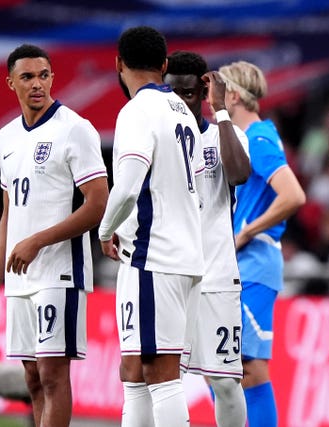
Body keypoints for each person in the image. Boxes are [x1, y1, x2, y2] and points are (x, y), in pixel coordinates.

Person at [0, 44, 109, 427]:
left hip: (59, 272)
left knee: (53, 377)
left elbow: (97, 204)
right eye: (28, 77)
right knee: (32, 379)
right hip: (19, 277)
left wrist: (38, 241)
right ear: (11, 83)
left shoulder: (75, 129)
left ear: (52, 76)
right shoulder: (6, 137)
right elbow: (9, 214)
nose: (38, 84)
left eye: (44, 75)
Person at [97, 26, 204, 427]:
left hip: (153, 258)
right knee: (136, 373)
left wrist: (106, 230)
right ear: (163, 65)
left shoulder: (136, 111)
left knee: (161, 378)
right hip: (185, 257)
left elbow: (126, 186)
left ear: (118, 64)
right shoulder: (183, 112)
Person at [164, 50, 251, 427]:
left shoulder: (225, 135)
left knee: (225, 381)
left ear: (203, 91)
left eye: (187, 93)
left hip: (216, 275)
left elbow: (239, 175)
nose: (179, 102)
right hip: (169, 274)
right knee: (163, 380)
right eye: (172, 94)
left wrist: (222, 113)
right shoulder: (159, 136)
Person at [218, 60, 306, 427]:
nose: (212, 99)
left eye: (219, 90)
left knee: (248, 367)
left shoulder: (258, 139)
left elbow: (293, 195)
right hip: (236, 264)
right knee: (223, 367)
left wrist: (246, 232)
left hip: (254, 261)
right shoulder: (248, 137)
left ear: (234, 95)